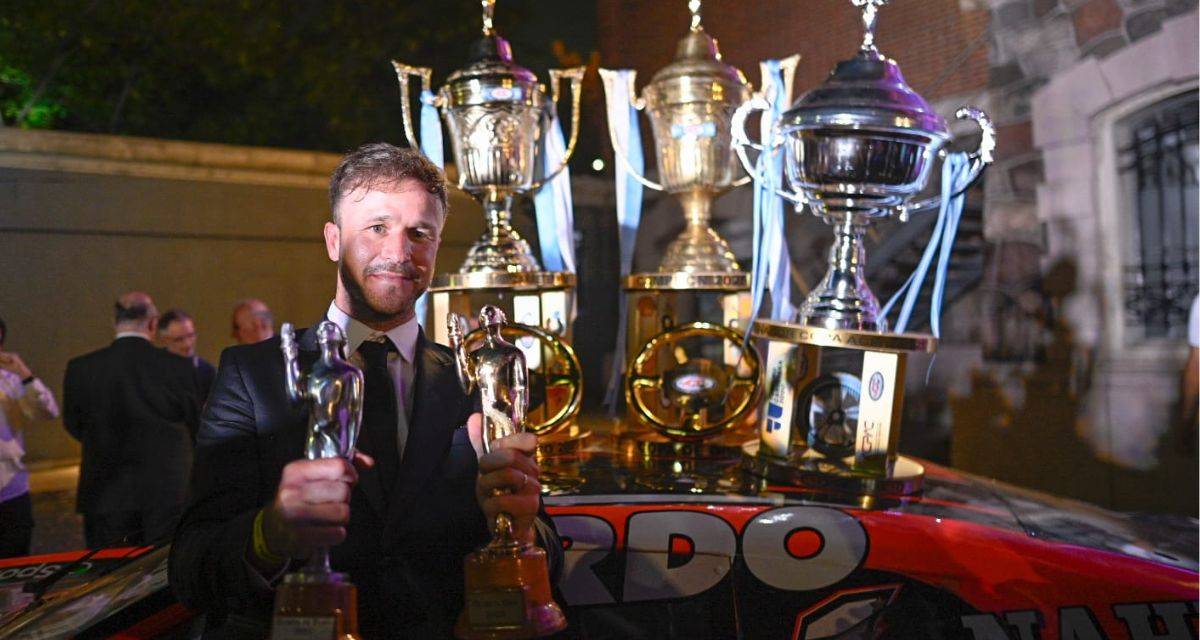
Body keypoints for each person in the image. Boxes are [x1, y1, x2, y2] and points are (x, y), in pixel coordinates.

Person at [170, 143, 560, 638]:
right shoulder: (253, 375)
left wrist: (523, 528)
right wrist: (269, 535)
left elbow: (552, 556)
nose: (398, 253)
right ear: (333, 240)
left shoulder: (477, 380)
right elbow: (190, 569)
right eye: (376, 228)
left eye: (419, 233)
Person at [63, 292, 200, 548]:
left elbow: (74, 424)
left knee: (112, 579)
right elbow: (195, 423)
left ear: (115, 322)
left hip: (105, 493)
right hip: (168, 491)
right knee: (166, 574)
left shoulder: (81, 368)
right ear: (152, 323)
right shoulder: (178, 367)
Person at [0, 317, 60, 558]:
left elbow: (48, 411)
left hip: (11, 493)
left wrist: (24, 374)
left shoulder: (10, 380)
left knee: (14, 574)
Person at [158, 308, 217, 403]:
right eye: (179, 339)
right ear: (164, 340)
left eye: (191, 336)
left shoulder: (206, 370)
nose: (187, 344)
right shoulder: (153, 368)